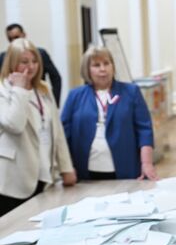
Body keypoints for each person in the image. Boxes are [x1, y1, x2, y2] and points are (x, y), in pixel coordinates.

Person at [0, 38, 76, 217]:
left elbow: (57, 131)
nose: (31, 67)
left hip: (43, 172)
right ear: (12, 62)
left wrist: (66, 168)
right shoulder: (3, 90)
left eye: (34, 61)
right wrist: (19, 89)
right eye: (24, 62)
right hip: (13, 180)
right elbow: (15, 124)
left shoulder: (43, 89)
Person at [61, 46, 158, 181]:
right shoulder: (75, 96)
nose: (103, 69)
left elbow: (144, 130)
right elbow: (64, 135)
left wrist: (147, 163)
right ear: (87, 70)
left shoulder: (131, 92)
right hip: (86, 171)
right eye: (96, 65)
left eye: (106, 63)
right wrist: (66, 167)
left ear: (113, 66)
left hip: (125, 168)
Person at [0, 24, 62, 106]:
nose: (31, 66)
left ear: (24, 34)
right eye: (10, 39)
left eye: (16, 37)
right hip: (14, 99)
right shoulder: (4, 57)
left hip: (38, 94)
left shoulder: (40, 53)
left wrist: (54, 102)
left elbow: (56, 77)